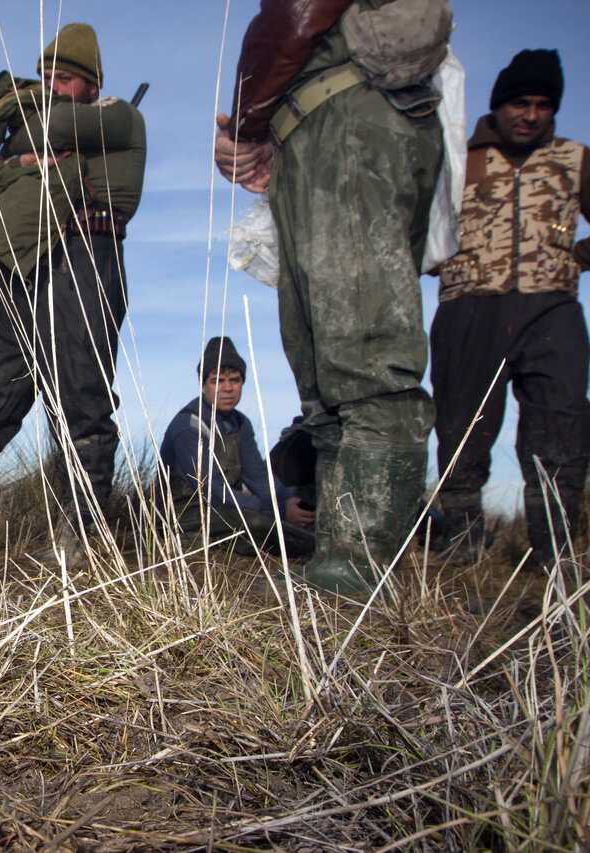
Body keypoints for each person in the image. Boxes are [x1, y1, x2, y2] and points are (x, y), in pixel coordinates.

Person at [214, 0, 451, 594]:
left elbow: (299, 11)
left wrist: (246, 128)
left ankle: (354, 584)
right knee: (324, 376)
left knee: (365, 359)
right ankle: (338, 566)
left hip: (347, 125)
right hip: (313, 134)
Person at [0, 22, 146, 563]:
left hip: (85, 263)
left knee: (81, 405)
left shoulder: (118, 116)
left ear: (92, 83)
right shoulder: (42, 124)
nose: (49, 87)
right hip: (16, 273)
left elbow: (30, 139)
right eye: (43, 75)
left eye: (64, 78)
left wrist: (17, 159)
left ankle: (76, 548)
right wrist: (22, 163)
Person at [430, 49, 590, 568]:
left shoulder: (573, 158)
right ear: (498, 105)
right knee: (461, 431)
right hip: (468, 307)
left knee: (559, 431)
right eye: (520, 103)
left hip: (552, 311)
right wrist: (440, 263)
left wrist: (573, 260)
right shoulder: (459, 156)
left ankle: (555, 559)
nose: (531, 115)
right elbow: (417, 227)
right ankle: (462, 554)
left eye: (544, 105)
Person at [159, 338, 316, 556]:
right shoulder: (189, 426)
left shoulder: (240, 423)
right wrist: (277, 510)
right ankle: (312, 549)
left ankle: (311, 541)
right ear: (203, 386)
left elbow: (257, 474)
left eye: (235, 380)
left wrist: (287, 501)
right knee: (258, 522)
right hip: (185, 513)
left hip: (225, 509)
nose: (228, 388)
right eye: (218, 381)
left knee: (269, 518)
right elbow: (209, 490)